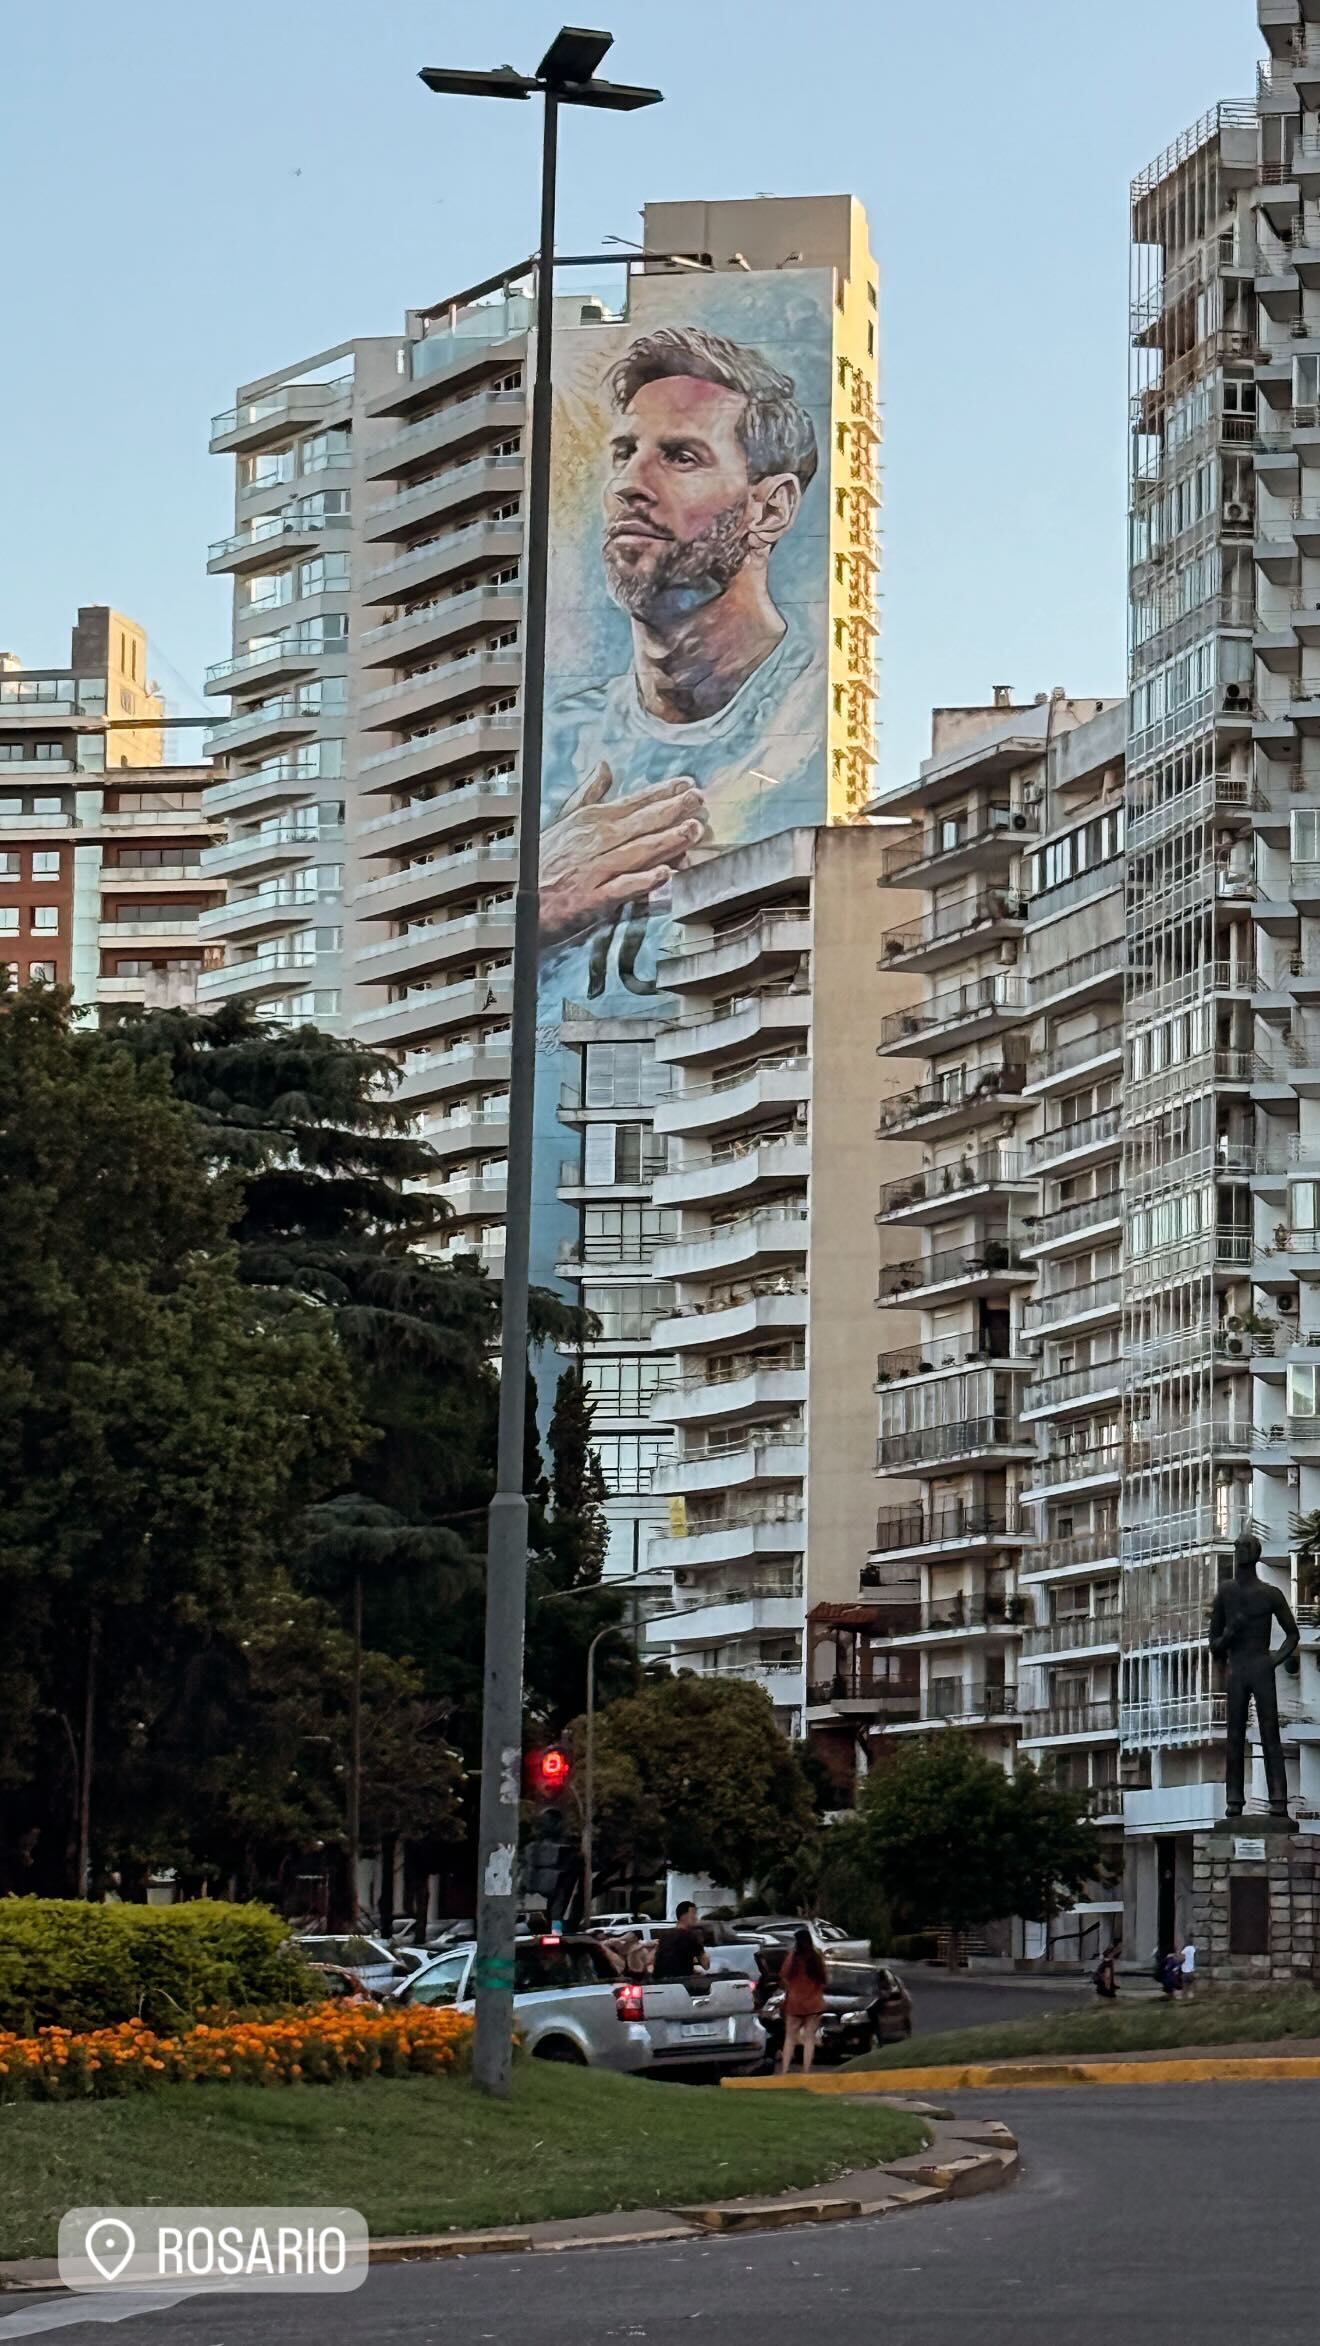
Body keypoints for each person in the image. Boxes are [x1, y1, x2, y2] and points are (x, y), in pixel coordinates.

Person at [538, 324, 824, 995]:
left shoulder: (811, 732)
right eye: (622, 453)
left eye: (681, 457)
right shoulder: (555, 735)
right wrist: (540, 905)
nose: (628, 486)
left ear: (771, 507)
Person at [779, 1926, 828, 2075]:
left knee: (790, 2037)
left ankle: (784, 2069)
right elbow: (825, 1979)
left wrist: (790, 1988)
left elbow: (783, 1975)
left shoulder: (793, 1958)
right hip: (813, 2002)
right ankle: (806, 2071)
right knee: (809, 2037)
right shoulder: (816, 1957)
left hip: (795, 2003)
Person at [652, 1901, 710, 1983]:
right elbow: (706, 1965)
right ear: (684, 1916)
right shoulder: (691, 1936)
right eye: (693, 1914)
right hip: (682, 1982)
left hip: (660, 1982)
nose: (696, 1918)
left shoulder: (664, 1935)